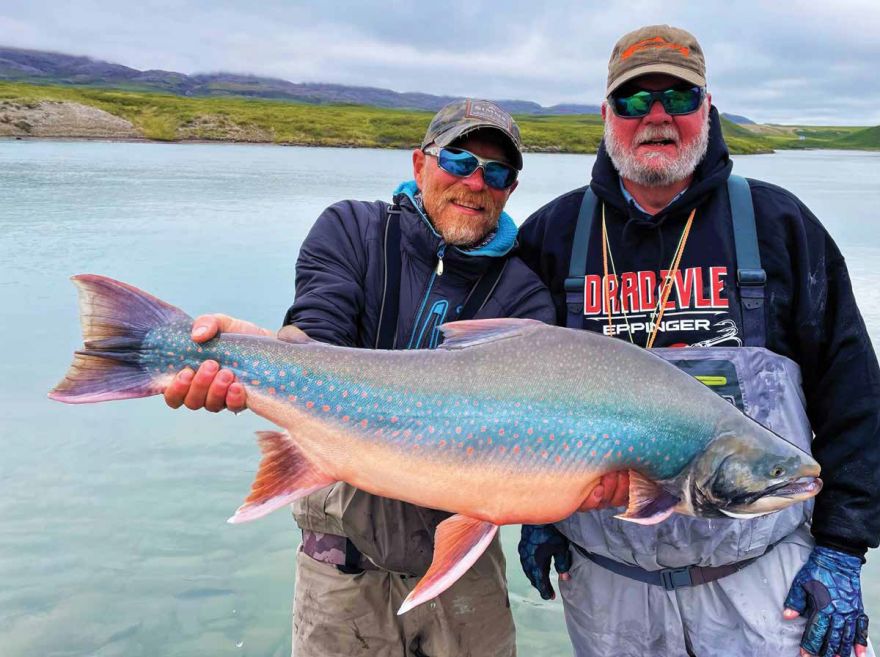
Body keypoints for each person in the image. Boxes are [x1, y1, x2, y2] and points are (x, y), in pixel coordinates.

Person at [163, 99, 622, 657]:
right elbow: (316, 337)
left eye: (497, 173)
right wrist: (257, 354)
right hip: (339, 571)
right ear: (419, 164)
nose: (476, 182)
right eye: (458, 161)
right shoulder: (352, 230)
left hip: (466, 573)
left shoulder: (524, 296)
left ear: (510, 189)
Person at [516, 25, 880, 657]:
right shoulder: (553, 235)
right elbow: (515, 399)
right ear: (607, 116)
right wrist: (536, 512)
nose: (656, 118)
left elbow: (853, 396)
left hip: (763, 583)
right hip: (608, 587)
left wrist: (844, 551)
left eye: (678, 99)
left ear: (706, 110)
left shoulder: (779, 224)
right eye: (634, 101)